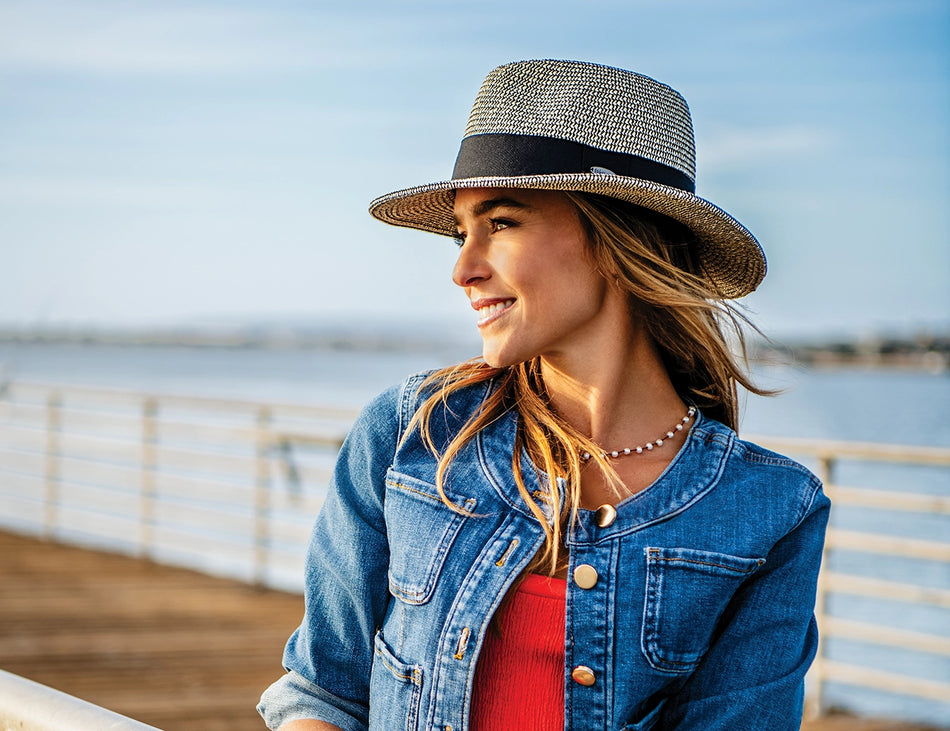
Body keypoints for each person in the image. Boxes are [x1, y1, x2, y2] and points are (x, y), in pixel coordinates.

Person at [258, 59, 830, 731]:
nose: (463, 268)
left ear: (618, 235)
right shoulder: (409, 433)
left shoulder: (768, 512)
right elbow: (324, 691)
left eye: (499, 222)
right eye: (459, 231)